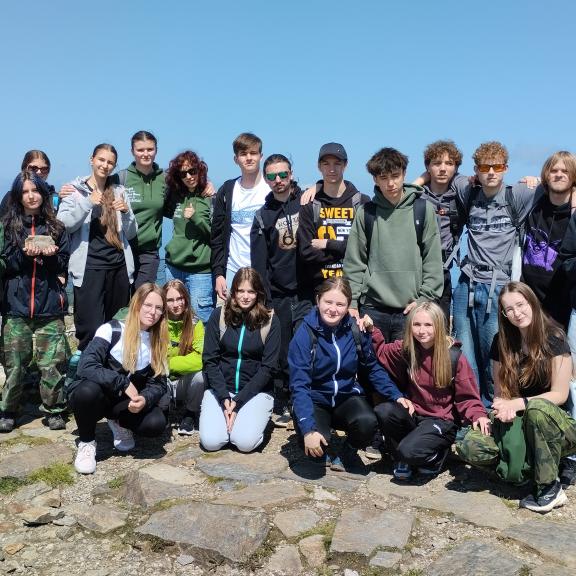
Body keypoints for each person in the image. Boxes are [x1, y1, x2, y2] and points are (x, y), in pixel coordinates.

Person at [457, 282, 576, 513]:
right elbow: (501, 393)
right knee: (469, 444)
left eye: (521, 305)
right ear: (503, 313)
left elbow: (560, 395)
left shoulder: (555, 338)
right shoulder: (501, 342)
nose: (517, 313)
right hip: (518, 417)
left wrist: (518, 403)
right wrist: (504, 408)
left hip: (554, 423)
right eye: (509, 309)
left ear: (532, 303)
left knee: (537, 409)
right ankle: (523, 469)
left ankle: (549, 487)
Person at [288, 277, 405, 471]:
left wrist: (396, 395)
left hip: (346, 397)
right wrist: (307, 429)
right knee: (315, 449)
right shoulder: (304, 334)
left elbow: (372, 368)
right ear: (318, 300)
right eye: (328, 302)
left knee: (368, 422)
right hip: (316, 399)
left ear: (348, 306)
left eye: (340, 304)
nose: (333, 309)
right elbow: (299, 385)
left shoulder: (355, 330)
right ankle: (315, 435)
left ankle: (347, 452)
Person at [451, 142, 537, 406]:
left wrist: (536, 179)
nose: (491, 172)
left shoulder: (518, 194)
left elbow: (562, 182)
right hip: (466, 282)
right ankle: (472, 409)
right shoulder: (467, 190)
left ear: (506, 168)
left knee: (494, 354)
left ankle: (494, 407)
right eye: (485, 167)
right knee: (465, 354)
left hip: (499, 286)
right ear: (476, 170)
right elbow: (437, 174)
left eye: (497, 167)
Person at [369, 301, 489, 480]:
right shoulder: (407, 349)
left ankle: (436, 456)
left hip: (441, 421)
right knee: (384, 410)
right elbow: (381, 351)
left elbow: (467, 396)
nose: (421, 330)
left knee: (408, 451)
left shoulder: (453, 357)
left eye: (428, 325)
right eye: (416, 324)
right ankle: (401, 458)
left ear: (438, 326)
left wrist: (478, 414)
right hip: (415, 414)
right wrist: (371, 330)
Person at [343, 147, 443, 341]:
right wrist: (352, 302)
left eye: (395, 176)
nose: (390, 183)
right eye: (383, 178)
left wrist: (423, 299)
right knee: (370, 362)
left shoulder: (423, 209)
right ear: (375, 179)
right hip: (372, 308)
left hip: (411, 309)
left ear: (404, 174)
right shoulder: (366, 212)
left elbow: (432, 260)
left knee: (407, 362)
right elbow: (354, 262)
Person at [68, 283, 169, 474]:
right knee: (87, 391)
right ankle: (87, 442)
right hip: (98, 397)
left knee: (155, 424)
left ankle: (118, 422)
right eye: (148, 305)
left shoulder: (158, 340)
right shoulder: (111, 329)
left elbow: (159, 384)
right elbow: (86, 365)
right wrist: (122, 382)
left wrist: (145, 398)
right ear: (136, 304)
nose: (153, 312)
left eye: (158, 308)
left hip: (124, 404)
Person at [0, 171, 70, 432]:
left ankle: (54, 409)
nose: (31, 196)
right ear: (18, 196)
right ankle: (8, 410)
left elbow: (62, 264)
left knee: (52, 365)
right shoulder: (8, 227)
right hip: (15, 307)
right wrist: (24, 255)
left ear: (43, 193)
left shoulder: (56, 227)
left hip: (49, 306)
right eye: (25, 191)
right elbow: (5, 264)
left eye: (35, 190)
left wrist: (49, 257)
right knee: (14, 365)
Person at [57, 143, 137, 352]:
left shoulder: (119, 191)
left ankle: (111, 368)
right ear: (91, 160)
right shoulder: (75, 190)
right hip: (89, 267)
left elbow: (131, 233)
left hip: (118, 267)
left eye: (110, 162)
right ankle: (88, 367)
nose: (105, 165)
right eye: (101, 160)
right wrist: (87, 203)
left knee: (116, 326)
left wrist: (126, 213)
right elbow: (63, 224)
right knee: (90, 328)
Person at [250, 154, 307, 426]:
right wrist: (266, 300)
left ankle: (304, 397)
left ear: (291, 174)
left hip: (307, 291)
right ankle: (282, 399)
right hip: (278, 293)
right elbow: (259, 264)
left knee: (305, 346)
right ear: (266, 179)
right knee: (282, 350)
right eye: (272, 176)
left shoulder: (307, 203)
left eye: (283, 174)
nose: (279, 181)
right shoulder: (262, 216)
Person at [199, 267, 280, 452]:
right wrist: (224, 398)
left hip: (255, 392)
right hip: (221, 390)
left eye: (251, 291)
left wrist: (239, 401)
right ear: (233, 292)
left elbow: (268, 368)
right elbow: (210, 360)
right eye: (240, 291)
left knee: (244, 443)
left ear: (258, 293)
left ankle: (249, 421)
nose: (245, 296)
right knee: (211, 442)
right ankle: (227, 422)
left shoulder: (270, 321)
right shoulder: (219, 315)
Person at [298, 143, 369, 304]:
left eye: (337, 163)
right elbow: (306, 252)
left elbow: (365, 248)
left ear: (345, 165)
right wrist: (346, 249)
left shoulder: (361, 202)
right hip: (319, 290)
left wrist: (328, 244)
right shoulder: (310, 203)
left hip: (355, 290)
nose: (332, 169)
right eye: (326, 164)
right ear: (319, 166)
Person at [211, 133, 269, 302]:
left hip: (264, 272)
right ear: (236, 159)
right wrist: (219, 273)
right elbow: (217, 236)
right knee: (228, 317)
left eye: (253, 153)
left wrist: (316, 187)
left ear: (261, 156)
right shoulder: (228, 190)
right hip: (232, 271)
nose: (249, 158)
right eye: (243, 154)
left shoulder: (271, 188)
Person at [522, 151, 576, 328]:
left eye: (565, 171)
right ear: (546, 174)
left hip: (562, 310)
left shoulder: (574, 215)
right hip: (528, 305)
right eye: (554, 170)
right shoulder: (534, 203)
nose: (559, 175)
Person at [418, 141, 470, 320]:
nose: (442, 169)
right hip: (418, 270)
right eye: (436, 163)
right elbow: (397, 198)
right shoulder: (417, 195)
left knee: (441, 325)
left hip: (443, 270)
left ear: (456, 168)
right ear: (427, 167)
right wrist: (420, 180)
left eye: (449, 164)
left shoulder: (460, 197)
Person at [164, 150, 214, 323]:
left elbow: (216, 234)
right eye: (183, 173)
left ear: (200, 170)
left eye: (192, 171)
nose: (189, 176)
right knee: (173, 317)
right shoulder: (176, 196)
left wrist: (196, 218)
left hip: (200, 271)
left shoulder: (209, 197)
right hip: (173, 267)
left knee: (200, 319)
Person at [163, 279, 205, 435]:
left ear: (186, 299)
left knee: (201, 376)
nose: (176, 304)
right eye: (170, 300)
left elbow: (202, 358)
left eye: (180, 298)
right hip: (162, 380)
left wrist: (170, 364)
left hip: (183, 380)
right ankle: (163, 410)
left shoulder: (196, 324)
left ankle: (190, 413)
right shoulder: (157, 323)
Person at [0, 150, 59, 217]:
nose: (39, 172)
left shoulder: (55, 198)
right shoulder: (11, 197)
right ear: (24, 169)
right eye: (33, 168)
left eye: (44, 169)